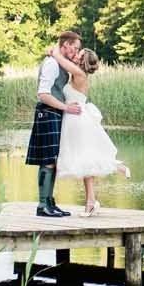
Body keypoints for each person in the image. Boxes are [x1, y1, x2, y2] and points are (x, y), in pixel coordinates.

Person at [49, 46, 131, 217]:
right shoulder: (76, 74)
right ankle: (91, 202)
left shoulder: (79, 74)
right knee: (85, 162)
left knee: (84, 160)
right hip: (73, 119)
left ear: (83, 61)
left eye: (78, 55)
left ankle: (116, 168)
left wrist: (54, 51)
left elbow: (59, 58)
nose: (75, 57)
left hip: (77, 120)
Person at [25, 31, 84, 217]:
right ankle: (42, 205)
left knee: (54, 161)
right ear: (65, 44)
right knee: (48, 161)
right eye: (74, 48)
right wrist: (66, 107)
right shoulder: (51, 64)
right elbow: (43, 94)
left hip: (55, 113)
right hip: (47, 112)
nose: (75, 52)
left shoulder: (59, 62)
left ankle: (50, 202)